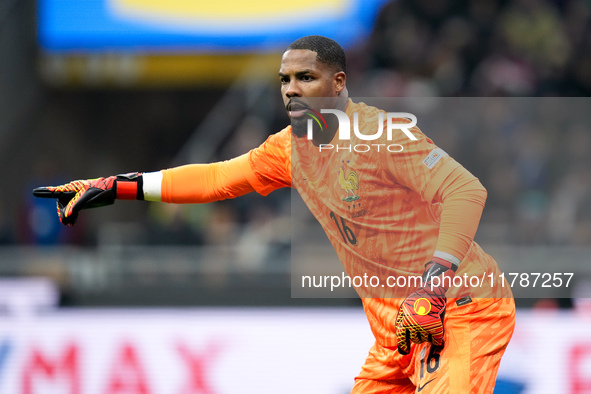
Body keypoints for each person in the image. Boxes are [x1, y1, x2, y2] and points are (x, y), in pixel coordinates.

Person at [34, 35, 515, 393]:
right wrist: (118, 187)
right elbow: (215, 179)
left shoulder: (384, 135)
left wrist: (434, 283)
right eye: (284, 80)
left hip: (457, 309)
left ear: (339, 82)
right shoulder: (289, 149)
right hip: (397, 330)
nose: (291, 90)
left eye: (306, 78)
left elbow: (466, 190)